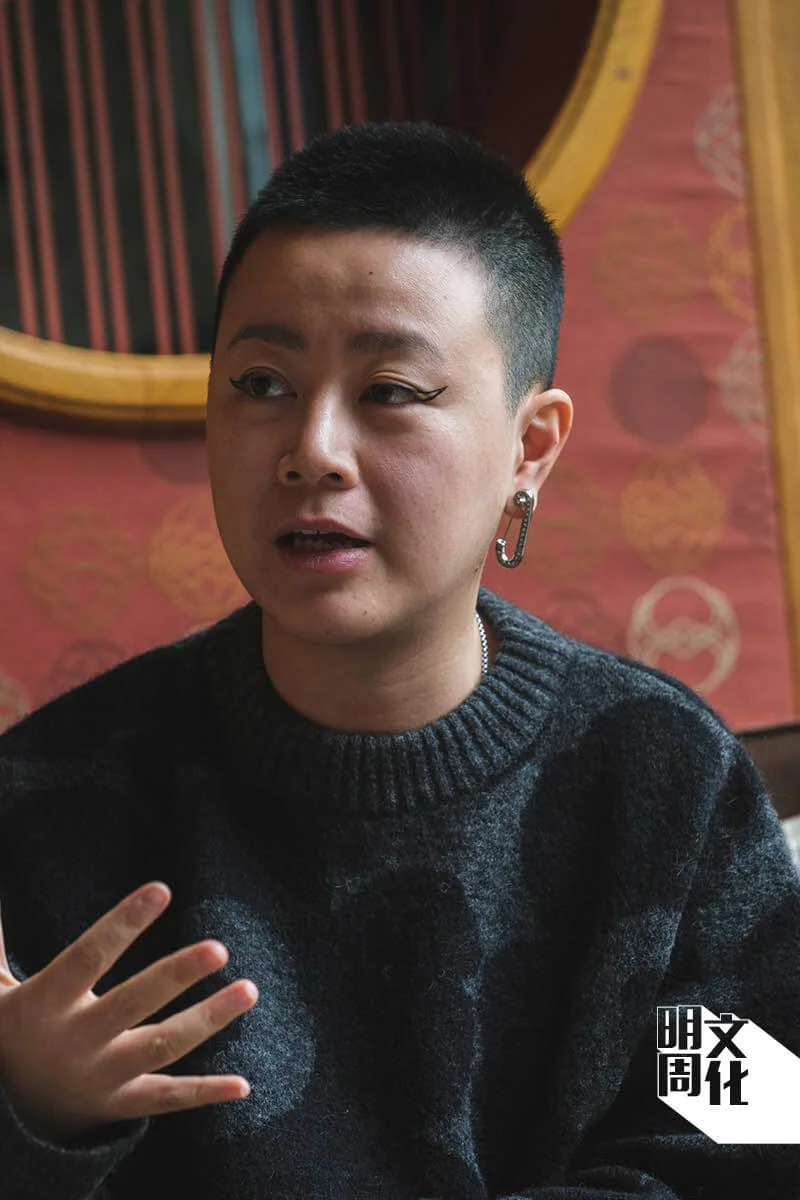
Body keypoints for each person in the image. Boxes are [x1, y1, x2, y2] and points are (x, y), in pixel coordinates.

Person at [0, 121, 798, 1200]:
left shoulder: (659, 783)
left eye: (391, 391)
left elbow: (750, 1151)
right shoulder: (52, 794)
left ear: (529, 448)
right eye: (261, 383)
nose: (312, 451)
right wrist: (29, 1117)